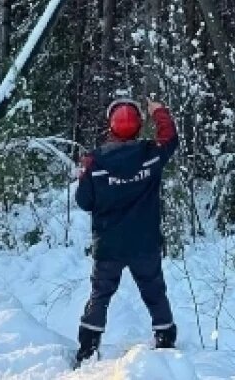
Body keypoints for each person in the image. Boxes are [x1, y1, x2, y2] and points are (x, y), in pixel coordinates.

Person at [73, 98, 179, 365]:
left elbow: (84, 202)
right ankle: (166, 339)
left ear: (111, 125)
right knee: (154, 290)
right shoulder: (149, 154)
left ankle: (87, 348)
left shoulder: (95, 161)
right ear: (139, 125)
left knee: (100, 295)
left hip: (109, 245)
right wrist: (159, 111)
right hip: (145, 243)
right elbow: (170, 138)